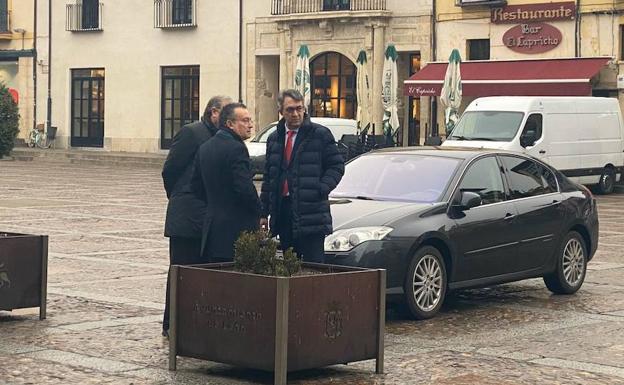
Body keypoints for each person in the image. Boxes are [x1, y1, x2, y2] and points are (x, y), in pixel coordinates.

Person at [161, 95, 231, 337]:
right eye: (226, 113)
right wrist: (181, 197)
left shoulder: (222, 138)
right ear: (213, 112)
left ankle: (195, 323)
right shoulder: (192, 133)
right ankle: (172, 324)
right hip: (187, 215)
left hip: (209, 216)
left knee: (203, 271)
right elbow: (170, 169)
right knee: (181, 270)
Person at [260, 89, 345, 263]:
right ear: (281, 111)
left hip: (311, 211)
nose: (296, 114)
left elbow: (336, 166)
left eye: (299, 109)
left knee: (313, 268)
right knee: (290, 265)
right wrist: (263, 212)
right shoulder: (274, 138)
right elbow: (269, 177)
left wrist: (320, 188)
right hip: (283, 212)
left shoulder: (319, 134)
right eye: (290, 110)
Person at [192, 102, 261, 261]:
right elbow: (244, 188)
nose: (250, 125)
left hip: (212, 229)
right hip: (236, 229)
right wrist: (259, 211)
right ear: (229, 124)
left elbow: (196, 187)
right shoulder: (236, 148)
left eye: (250, 120)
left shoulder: (205, 147)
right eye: (244, 121)